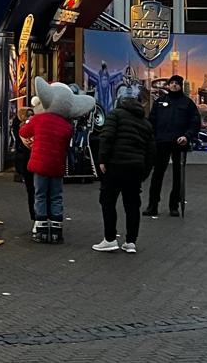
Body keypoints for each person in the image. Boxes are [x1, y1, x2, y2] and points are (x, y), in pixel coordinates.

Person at [19, 76, 95, 243]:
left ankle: (41, 230)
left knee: (40, 195)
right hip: (57, 166)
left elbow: (24, 132)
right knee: (56, 196)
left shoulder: (39, 120)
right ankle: (56, 231)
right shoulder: (67, 127)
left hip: (40, 165)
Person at [92, 87, 155, 254]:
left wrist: (102, 159)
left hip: (115, 165)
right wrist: (144, 172)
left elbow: (106, 137)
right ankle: (130, 242)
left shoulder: (115, 115)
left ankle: (110, 239)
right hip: (135, 168)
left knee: (108, 201)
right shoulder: (146, 123)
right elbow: (151, 152)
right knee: (132, 205)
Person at [146, 74, 201, 217]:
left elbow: (195, 122)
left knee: (178, 176)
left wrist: (187, 136)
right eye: (172, 83)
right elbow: (152, 121)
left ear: (181, 86)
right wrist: (152, 137)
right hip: (161, 142)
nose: (174, 85)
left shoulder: (187, 103)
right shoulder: (160, 101)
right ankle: (152, 205)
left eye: (177, 83)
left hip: (179, 143)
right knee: (157, 174)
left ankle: (174, 206)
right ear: (168, 85)